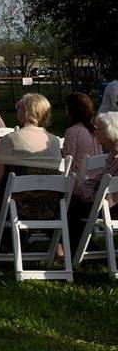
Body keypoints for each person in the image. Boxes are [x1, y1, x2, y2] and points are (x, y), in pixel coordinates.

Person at [0, 93, 63, 250]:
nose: (17, 109)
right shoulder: (54, 141)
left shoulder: (11, 139)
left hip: (16, 206)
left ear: (27, 111)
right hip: (49, 206)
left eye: (19, 106)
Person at [64, 92, 103, 256]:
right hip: (97, 188)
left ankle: (72, 246)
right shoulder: (95, 131)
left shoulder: (73, 132)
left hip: (79, 190)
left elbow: (68, 164)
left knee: (56, 205)